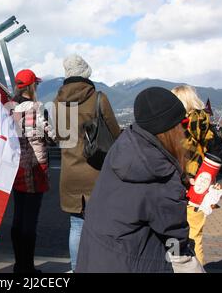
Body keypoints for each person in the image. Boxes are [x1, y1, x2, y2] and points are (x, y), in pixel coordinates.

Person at [76, 87, 204, 273]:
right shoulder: (159, 173)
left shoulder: (126, 145)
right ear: (169, 129)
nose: (184, 131)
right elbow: (175, 236)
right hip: (131, 262)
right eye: (182, 124)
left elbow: (140, 200)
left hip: (96, 255)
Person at [53, 54, 120, 271]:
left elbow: (59, 137)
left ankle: (76, 268)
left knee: (76, 226)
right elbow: (115, 133)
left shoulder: (58, 102)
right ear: (86, 72)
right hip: (97, 170)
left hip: (70, 171)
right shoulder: (99, 98)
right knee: (103, 224)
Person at [10, 69, 56, 273]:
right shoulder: (36, 109)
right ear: (31, 86)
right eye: (35, 84)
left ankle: (19, 264)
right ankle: (27, 268)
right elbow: (52, 136)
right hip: (35, 170)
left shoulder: (10, 108)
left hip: (15, 169)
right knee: (30, 221)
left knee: (18, 217)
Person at [172, 85, 215, 266]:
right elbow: (214, 151)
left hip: (181, 182)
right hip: (201, 182)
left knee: (178, 235)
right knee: (195, 234)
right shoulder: (205, 123)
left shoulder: (180, 125)